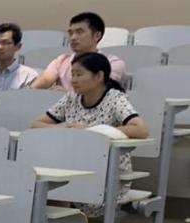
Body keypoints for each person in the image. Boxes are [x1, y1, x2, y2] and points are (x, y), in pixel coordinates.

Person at [31, 52, 148, 212]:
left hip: (106, 175)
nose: (73, 80)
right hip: (74, 165)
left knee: (53, 193)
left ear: (99, 76)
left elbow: (140, 129)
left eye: (79, 74)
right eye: (72, 74)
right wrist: (63, 128)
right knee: (42, 189)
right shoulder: (71, 98)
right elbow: (36, 124)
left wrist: (90, 132)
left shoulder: (115, 98)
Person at [32, 11, 128, 91]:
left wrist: (67, 95)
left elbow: (100, 92)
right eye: (71, 33)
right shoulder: (61, 61)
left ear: (97, 36)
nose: (73, 38)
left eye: (79, 32)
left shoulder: (113, 63)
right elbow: (39, 85)